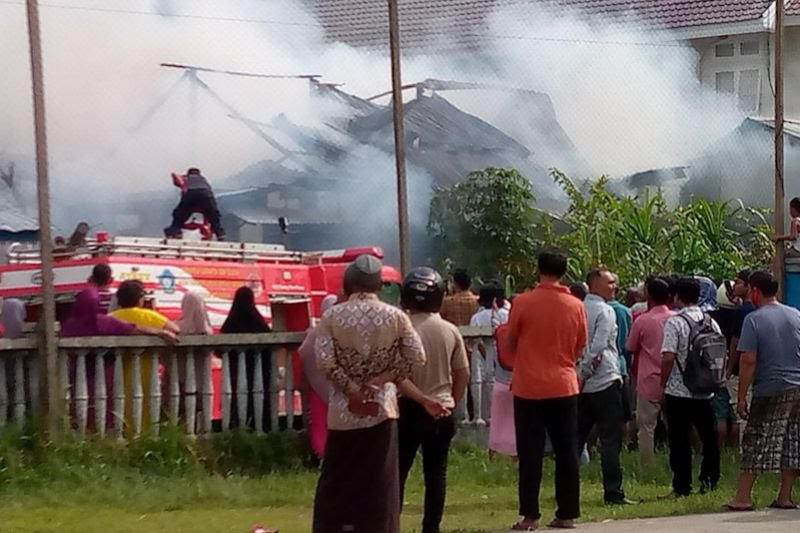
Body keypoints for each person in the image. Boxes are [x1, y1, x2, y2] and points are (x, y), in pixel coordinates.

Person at [312, 255, 425, 533]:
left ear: (347, 283)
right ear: (379, 285)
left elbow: (325, 362)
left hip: (342, 412)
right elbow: (417, 357)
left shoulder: (332, 316)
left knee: (337, 478)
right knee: (379, 481)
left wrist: (352, 390)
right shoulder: (395, 316)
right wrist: (382, 378)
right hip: (382, 408)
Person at [506, 248, 587, 530]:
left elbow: (510, 341)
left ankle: (530, 516)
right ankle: (567, 514)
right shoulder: (576, 305)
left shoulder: (523, 301)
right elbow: (580, 345)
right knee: (567, 452)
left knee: (530, 453)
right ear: (565, 272)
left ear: (538, 269)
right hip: (564, 384)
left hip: (528, 386)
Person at [397, 267, 470, 533]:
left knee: (398, 472)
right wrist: (452, 400)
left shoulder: (401, 329)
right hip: (441, 409)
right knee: (436, 474)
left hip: (406, 406)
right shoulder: (449, 330)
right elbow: (463, 372)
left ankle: (391, 523)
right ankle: (431, 528)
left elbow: (396, 375)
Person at [725, 271, 800, 511]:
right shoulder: (796, 315)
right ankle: (785, 496)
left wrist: (741, 396)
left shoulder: (754, 320)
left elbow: (748, 359)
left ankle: (743, 497)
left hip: (770, 386)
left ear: (755, 290)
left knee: (756, 438)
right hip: (797, 385)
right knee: (792, 438)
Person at [61, 288, 177, 432]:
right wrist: (161, 332)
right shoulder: (102, 322)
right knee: (106, 407)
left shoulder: (69, 325)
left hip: (76, 374)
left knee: (79, 406)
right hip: (104, 374)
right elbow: (133, 329)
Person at [661, 277, 721, 497]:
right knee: (709, 440)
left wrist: (663, 384)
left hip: (679, 390)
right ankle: (709, 482)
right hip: (706, 389)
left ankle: (682, 486)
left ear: (676, 297)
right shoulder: (710, 321)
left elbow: (668, 356)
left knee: (679, 441)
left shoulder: (675, 322)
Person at [578, 268, 631, 506]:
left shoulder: (578, 308)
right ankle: (613, 492)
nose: (614, 287)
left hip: (580, 384)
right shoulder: (605, 311)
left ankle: (567, 491)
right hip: (604, 381)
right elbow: (598, 348)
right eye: (610, 282)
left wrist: (578, 376)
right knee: (610, 439)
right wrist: (585, 372)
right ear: (595, 284)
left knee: (575, 438)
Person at [110, 280, 180, 434]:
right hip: (147, 372)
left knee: (122, 405)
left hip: (119, 372)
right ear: (140, 298)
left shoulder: (112, 317)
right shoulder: (150, 316)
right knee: (147, 405)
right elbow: (176, 329)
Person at [626, 277, 674, 468]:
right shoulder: (676, 318)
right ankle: (677, 463)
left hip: (648, 380)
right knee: (676, 426)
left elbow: (630, 347)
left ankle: (647, 466)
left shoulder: (642, 321)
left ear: (648, 296)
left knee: (646, 427)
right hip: (673, 380)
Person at [470, 283, 514, 457]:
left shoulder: (476, 317)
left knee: (484, 398)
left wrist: (486, 354)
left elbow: (477, 342)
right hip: (507, 367)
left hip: (482, 361)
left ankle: (482, 421)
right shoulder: (507, 315)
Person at [221, 286, 272, 430]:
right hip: (259, 371)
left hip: (237, 370)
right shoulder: (258, 321)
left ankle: (238, 424)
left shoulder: (231, 322)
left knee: (239, 397)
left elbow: (220, 349)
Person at [298, 294, 339, 457]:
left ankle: (323, 455)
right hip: (341, 386)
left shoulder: (315, 333)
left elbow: (305, 353)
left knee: (320, 423)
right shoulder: (346, 329)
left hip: (317, 386)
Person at [464, 281, 505, 425]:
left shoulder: (477, 317)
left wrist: (483, 352)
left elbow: (473, 338)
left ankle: (478, 415)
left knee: (479, 383)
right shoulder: (505, 314)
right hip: (501, 356)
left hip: (480, 355)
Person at [439, 269, 478, 422]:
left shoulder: (447, 302)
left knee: (457, 379)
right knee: (475, 381)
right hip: (475, 348)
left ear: (455, 284)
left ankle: (459, 413)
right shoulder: (477, 301)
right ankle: (473, 412)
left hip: (454, 348)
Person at [176, 291, 214, 428]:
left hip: (181, 378)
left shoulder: (177, 327)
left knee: (181, 411)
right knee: (201, 411)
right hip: (203, 378)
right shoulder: (208, 330)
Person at [164, 168, 225, 240]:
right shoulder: (203, 179)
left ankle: (176, 231)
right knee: (214, 216)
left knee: (178, 214)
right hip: (207, 196)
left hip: (191, 195)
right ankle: (220, 234)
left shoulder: (185, 178)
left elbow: (176, 178)